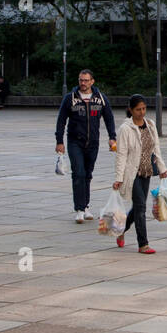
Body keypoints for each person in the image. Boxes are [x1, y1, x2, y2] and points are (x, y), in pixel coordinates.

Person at [54, 69, 117, 224]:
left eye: (86, 80)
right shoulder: (70, 99)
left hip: (93, 143)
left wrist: (112, 138)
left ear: (92, 81)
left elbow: (109, 119)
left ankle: (86, 206)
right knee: (78, 173)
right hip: (75, 142)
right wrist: (59, 141)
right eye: (81, 80)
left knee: (88, 174)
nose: (83, 83)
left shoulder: (100, 99)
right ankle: (79, 209)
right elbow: (61, 120)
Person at [111, 95, 167, 254]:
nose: (142, 112)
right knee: (141, 207)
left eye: (144, 108)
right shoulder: (125, 129)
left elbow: (156, 149)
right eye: (138, 109)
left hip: (147, 171)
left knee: (138, 207)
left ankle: (121, 230)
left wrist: (162, 168)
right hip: (132, 172)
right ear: (130, 110)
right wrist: (118, 178)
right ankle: (143, 244)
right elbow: (121, 154)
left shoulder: (150, 125)